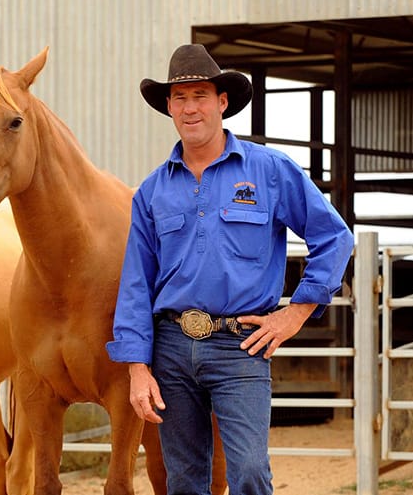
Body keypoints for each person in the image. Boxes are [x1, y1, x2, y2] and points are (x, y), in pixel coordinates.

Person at [107, 44, 354, 495]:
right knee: (183, 481)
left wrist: (295, 312)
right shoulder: (151, 192)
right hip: (171, 349)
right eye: (179, 98)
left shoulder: (269, 170)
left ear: (222, 102)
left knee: (249, 475)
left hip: (241, 346)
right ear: (168, 107)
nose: (190, 107)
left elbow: (335, 237)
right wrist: (137, 368)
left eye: (200, 95)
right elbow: (136, 282)